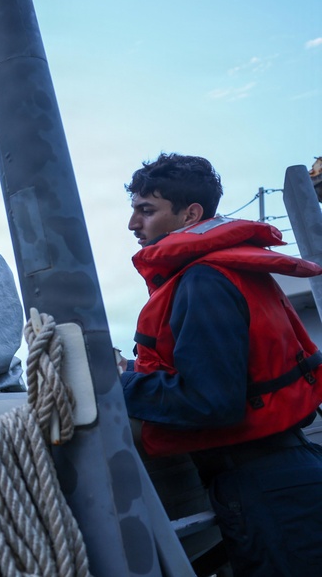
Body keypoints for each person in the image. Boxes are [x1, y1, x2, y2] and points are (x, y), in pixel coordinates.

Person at [120, 152, 322, 577]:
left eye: (147, 210)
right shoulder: (227, 272)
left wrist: (116, 387)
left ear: (191, 214)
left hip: (265, 487)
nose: (133, 224)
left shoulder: (204, 281)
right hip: (286, 473)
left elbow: (210, 401)